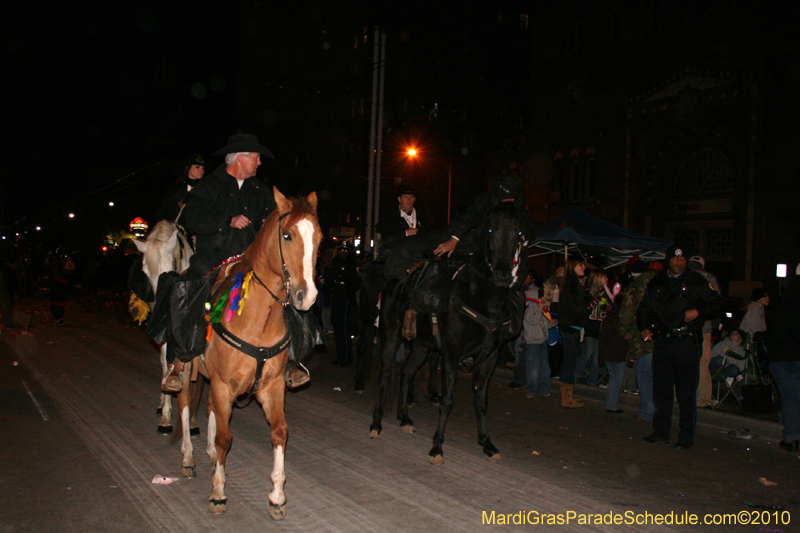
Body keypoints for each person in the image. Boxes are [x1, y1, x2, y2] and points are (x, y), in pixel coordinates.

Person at [637, 244, 725, 450]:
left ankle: (685, 437)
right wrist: (643, 328)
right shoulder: (657, 281)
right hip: (663, 342)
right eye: (676, 259)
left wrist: (698, 312)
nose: (679, 262)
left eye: (683, 258)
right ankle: (660, 432)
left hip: (685, 341)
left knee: (686, 393)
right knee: (662, 391)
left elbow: (718, 303)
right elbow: (645, 308)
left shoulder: (695, 281)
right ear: (668, 260)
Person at [184, 134, 276, 278]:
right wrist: (228, 221)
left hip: (251, 266)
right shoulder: (209, 186)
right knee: (191, 294)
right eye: (256, 158)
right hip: (211, 267)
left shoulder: (261, 191)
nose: (259, 163)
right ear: (240, 159)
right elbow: (192, 219)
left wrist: (267, 222)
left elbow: (272, 215)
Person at [617, 265, 661, 422]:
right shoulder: (665, 285)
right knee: (661, 376)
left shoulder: (634, 288)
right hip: (664, 338)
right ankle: (662, 411)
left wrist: (625, 331)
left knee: (646, 375)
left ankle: (648, 411)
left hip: (643, 340)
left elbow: (626, 315)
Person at [766, 276, 800, 453]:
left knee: (789, 399)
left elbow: (774, 334)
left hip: (782, 359)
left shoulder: (783, 309)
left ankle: (792, 437)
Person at [555, 259, 592, 408]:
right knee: (570, 361)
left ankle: (567, 394)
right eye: (580, 265)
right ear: (573, 267)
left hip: (571, 325)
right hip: (571, 325)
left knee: (569, 360)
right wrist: (587, 301)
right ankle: (566, 397)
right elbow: (575, 305)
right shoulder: (571, 283)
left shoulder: (573, 282)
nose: (583, 267)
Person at [687, 255, 722, 409]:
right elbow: (717, 303)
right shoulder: (709, 278)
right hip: (703, 328)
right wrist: (715, 327)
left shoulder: (680, 276)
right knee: (702, 364)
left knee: (679, 362)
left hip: (681, 328)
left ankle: (675, 396)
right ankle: (702, 400)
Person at [325, 241, 360, 367]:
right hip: (336, 298)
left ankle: (346, 358)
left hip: (346, 299)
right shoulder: (335, 262)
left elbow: (355, 282)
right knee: (337, 328)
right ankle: (340, 356)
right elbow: (329, 280)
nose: (343, 253)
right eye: (341, 250)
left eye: (345, 251)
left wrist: (346, 291)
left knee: (345, 329)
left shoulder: (352, 264)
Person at [575, 269, 610, 386]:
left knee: (596, 356)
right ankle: (577, 373)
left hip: (601, 328)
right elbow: (586, 308)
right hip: (590, 326)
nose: (607, 279)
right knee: (589, 350)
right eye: (605, 277)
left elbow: (608, 310)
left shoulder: (606, 293)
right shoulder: (588, 292)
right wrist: (596, 299)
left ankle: (592, 380)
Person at [522, 273, 553, 398]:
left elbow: (546, 323)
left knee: (545, 367)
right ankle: (531, 389)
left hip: (542, 340)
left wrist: (552, 322)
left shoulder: (543, 308)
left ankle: (544, 387)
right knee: (533, 369)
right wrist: (540, 310)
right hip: (532, 341)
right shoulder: (530, 310)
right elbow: (533, 320)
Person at [156, 154, 206, 224]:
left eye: (203, 168)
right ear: (188, 168)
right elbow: (164, 211)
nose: (201, 170)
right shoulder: (175, 190)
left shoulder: (206, 189)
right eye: (197, 167)